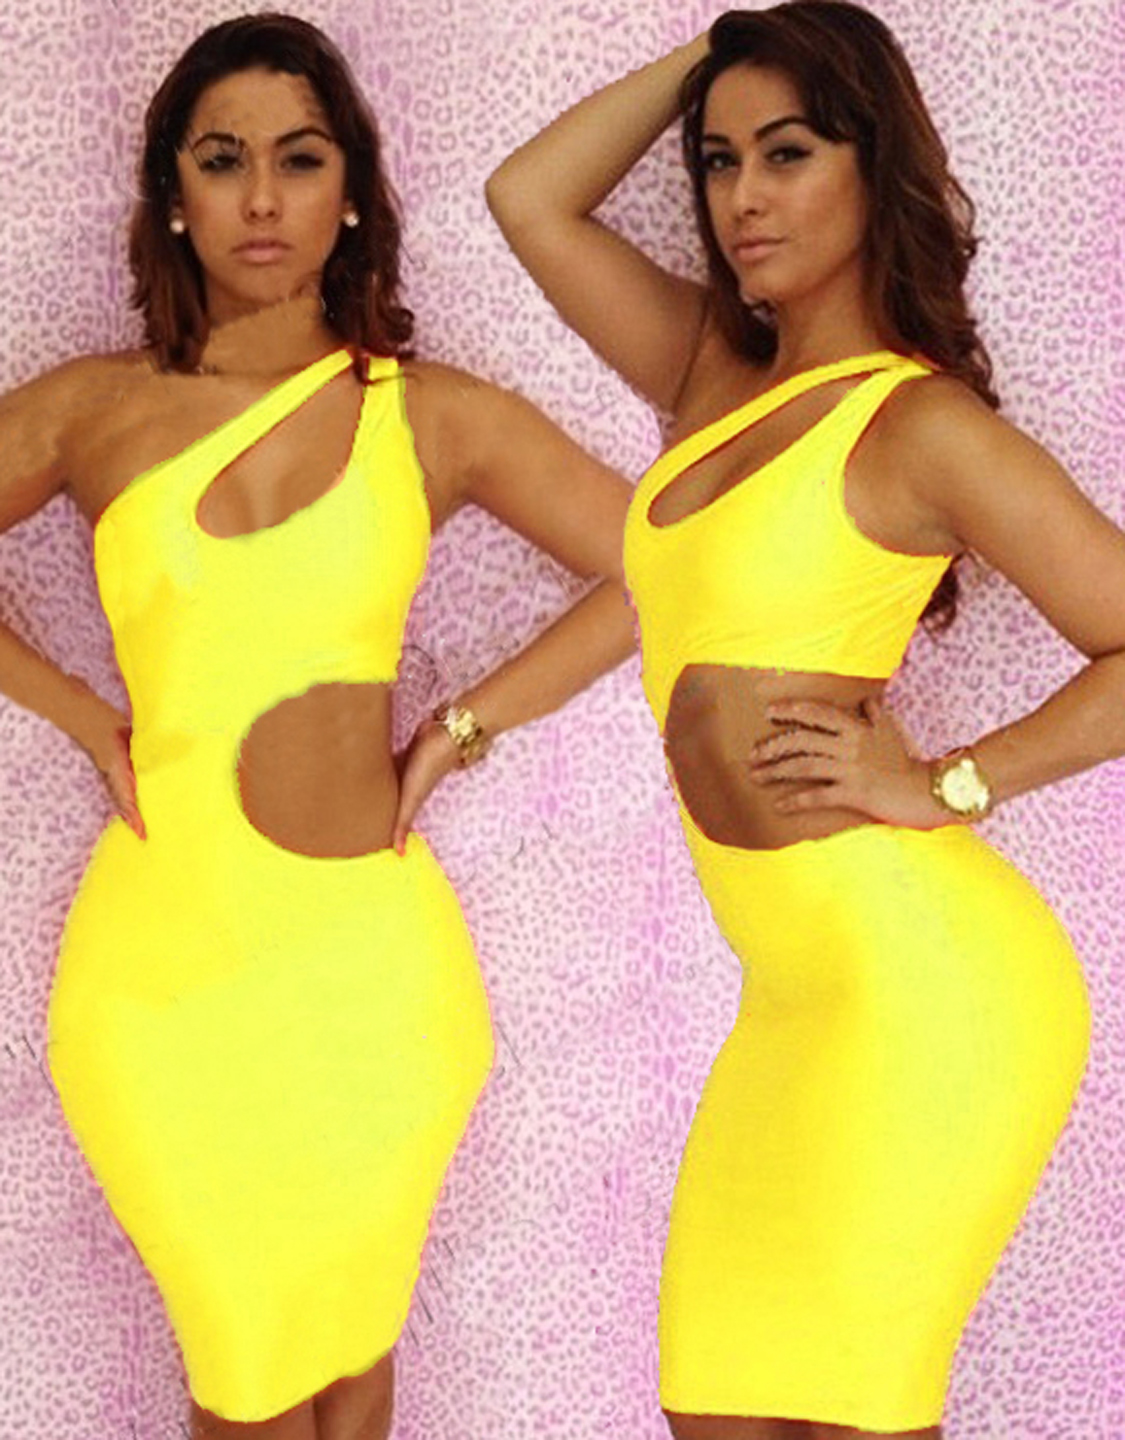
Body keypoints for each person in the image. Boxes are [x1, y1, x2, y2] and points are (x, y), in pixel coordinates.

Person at [486, 4, 1125, 1437]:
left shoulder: (920, 428)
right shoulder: (709, 374)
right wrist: (719, 50)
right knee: (716, 1405)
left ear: (870, 163)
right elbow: (528, 198)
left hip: (929, 998)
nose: (741, 198)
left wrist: (952, 782)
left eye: (787, 152)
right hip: (787, 1001)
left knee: (855, 1416)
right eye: (719, 161)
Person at [0, 14, 636, 1440]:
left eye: (300, 158)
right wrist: (76, 710)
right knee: (247, 1378)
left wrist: (463, 725)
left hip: (374, 988)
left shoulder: (433, 418)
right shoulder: (95, 410)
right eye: (222, 160)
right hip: (161, 988)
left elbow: (661, 562)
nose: (262, 197)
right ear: (173, 193)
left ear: (352, 191)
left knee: (351, 1362)